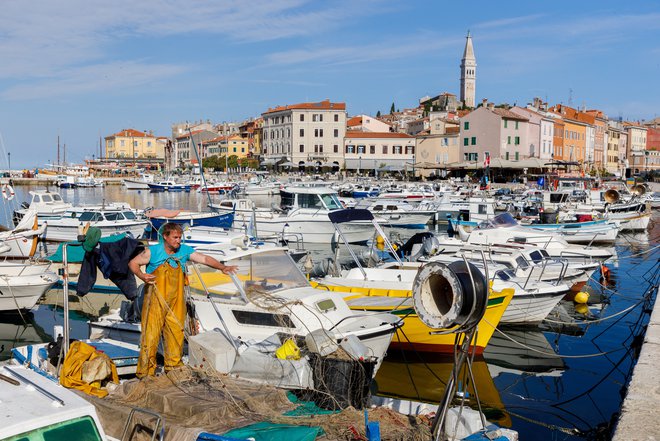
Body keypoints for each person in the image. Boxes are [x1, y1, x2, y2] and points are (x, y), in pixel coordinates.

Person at [129, 222, 237, 378]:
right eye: (175, 237)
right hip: (155, 301)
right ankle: (146, 373)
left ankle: (173, 368)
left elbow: (204, 258)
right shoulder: (153, 251)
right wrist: (142, 275)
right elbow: (133, 263)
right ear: (165, 237)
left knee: (176, 333)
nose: (178, 241)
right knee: (151, 336)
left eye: (180, 237)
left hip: (176, 301)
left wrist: (222, 267)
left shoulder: (184, 251)